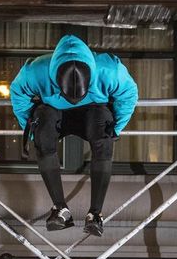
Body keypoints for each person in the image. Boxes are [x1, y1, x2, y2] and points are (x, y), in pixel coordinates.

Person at [10, 35, 138, 237]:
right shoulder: (36, 71)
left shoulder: (110, 70)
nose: (74, 100)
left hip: (93, 111)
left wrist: (116, 128)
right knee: (42, 128)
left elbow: (129, 93)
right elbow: (17, 92)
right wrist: (31, 127)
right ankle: (60, 209)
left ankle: (95, 214)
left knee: (104, 134)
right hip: (54, 112)